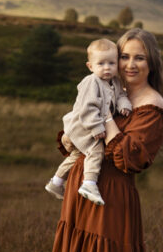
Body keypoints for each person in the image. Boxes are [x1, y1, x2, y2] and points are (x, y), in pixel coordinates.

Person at [41, 28, 163, 252]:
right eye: (124, 56)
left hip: (111, 196)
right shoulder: (107, 88)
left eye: (139, 57)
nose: (129, 64)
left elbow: (130, 157)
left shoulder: (151, 106)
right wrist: (72, 136)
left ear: (152, 63)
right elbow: (76, 133)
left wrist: (106, 118)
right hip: (83, 188)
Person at [45, 39, 132, 206]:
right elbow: (88, 108)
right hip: (83, 125)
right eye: (101, 63)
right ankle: (89, 184)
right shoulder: (91, 82)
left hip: (89, 125)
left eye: (111, 63)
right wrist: (96, 127)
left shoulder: (115, 82)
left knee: (77, 154)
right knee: (96, 150)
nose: (107, 68)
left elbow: (121, 95)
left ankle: (56, 182)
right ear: (90, 66)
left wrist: (124, 105)